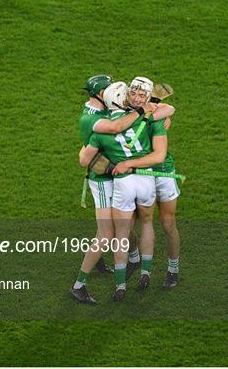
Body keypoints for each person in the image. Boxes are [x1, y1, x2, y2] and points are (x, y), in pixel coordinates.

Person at [70, 75, 174, 305]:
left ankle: (131, 260)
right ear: (100, 94)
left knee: (121, 228)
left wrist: (159, 116)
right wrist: (145, 115)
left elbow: (166, 109)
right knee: (107, 234)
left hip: (117, 179)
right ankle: (79, 285)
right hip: (104, 180)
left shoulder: (111, 109)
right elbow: (87, 155)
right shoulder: (91, 120)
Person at [114, 77, 181, 289]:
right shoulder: (124, 112)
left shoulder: (157, 114)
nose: (135, 98)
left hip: (161, 173)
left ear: (148, 96)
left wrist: (162, 112)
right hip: (138, 175)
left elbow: (169, 108)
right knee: (127, 224)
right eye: (132, 93)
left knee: (168, 223)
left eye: (141, 95)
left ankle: (173, 269)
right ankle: (134, 258)